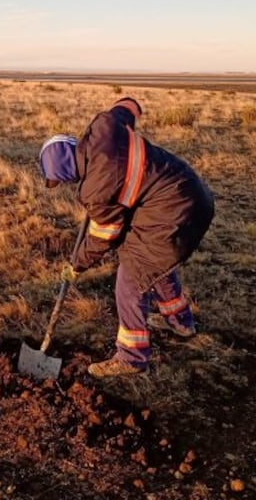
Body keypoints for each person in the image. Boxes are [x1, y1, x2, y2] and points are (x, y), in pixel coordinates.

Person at [38, 97, 215, 377]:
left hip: (172, 214)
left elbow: (104, 235)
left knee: (130, 279)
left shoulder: (94, 192)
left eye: (61, 179)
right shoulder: (104, 125)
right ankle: (181, 322)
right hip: (196, 195)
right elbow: (130, 107)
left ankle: (132, 358)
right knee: (154, 263)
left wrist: (77, 265)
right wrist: (125, 104)